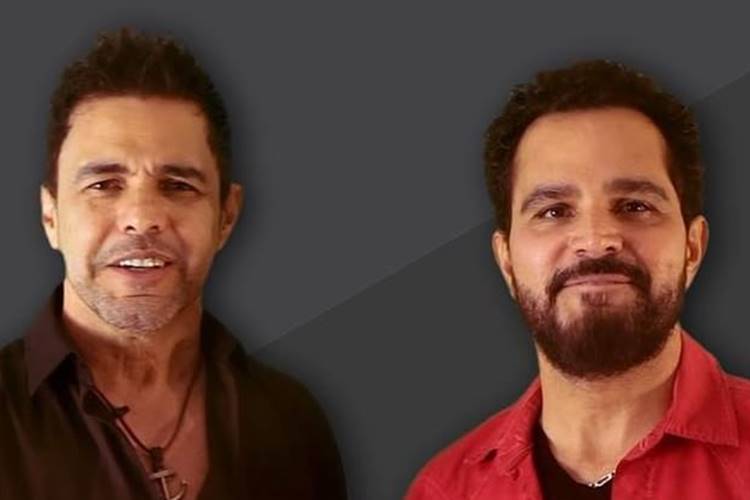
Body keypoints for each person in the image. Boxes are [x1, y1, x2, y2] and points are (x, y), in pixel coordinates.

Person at [0, 28, 346, 500]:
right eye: (103, 185)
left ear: (226, 217)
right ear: (50, 216)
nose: (142, 217)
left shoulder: (294, 423)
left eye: (179, 186)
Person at [406, 60, 750, 499]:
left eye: (635, 206)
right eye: (554, 211)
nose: (596, 240)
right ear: (507, 261)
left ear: (692, 248)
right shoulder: (445, 490)